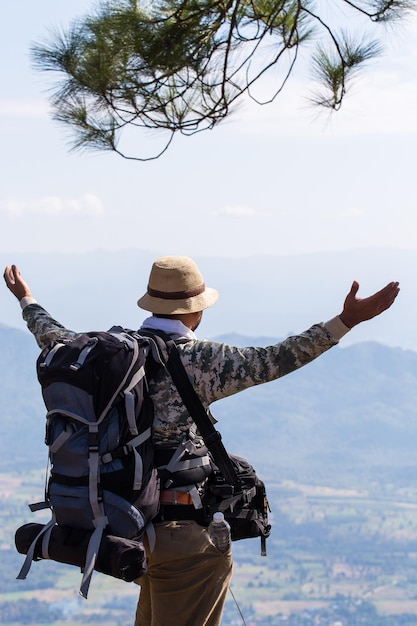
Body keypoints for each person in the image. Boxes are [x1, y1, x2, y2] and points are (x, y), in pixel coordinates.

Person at [4, 257, 399, 626]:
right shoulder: (201, 361)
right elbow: (278, 358)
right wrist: (346, 320)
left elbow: (51, 335)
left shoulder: (106, 356)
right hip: (184, 537)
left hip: (129, 527)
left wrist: (26, 299)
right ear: (197, 309)